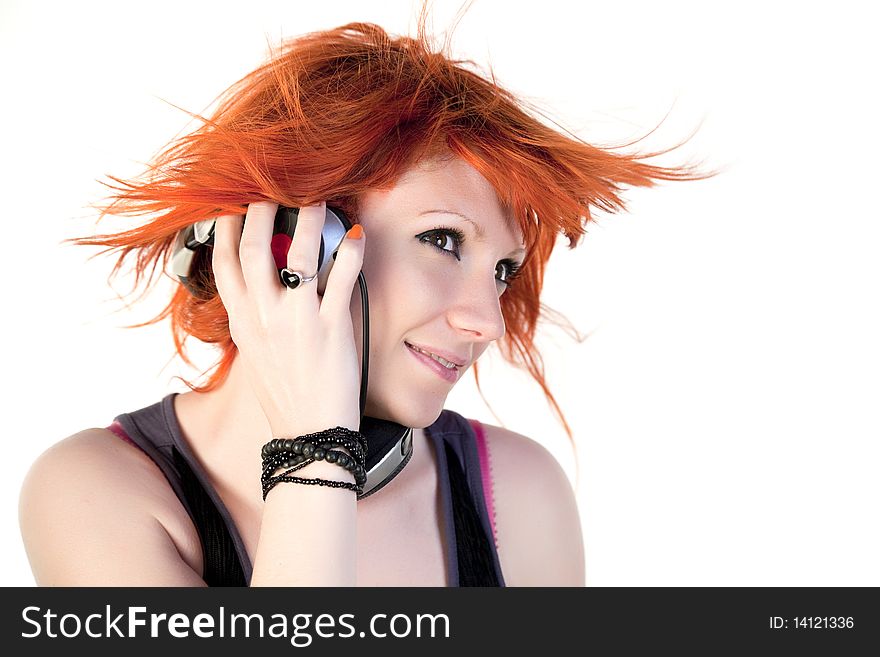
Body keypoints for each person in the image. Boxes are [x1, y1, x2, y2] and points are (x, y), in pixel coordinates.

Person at [19, 15, 703, 587]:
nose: (486, 320)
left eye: (501, 270)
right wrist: (315, 450)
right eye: (443, 239)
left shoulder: (520, 497)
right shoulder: (91, 492)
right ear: (294, 241)